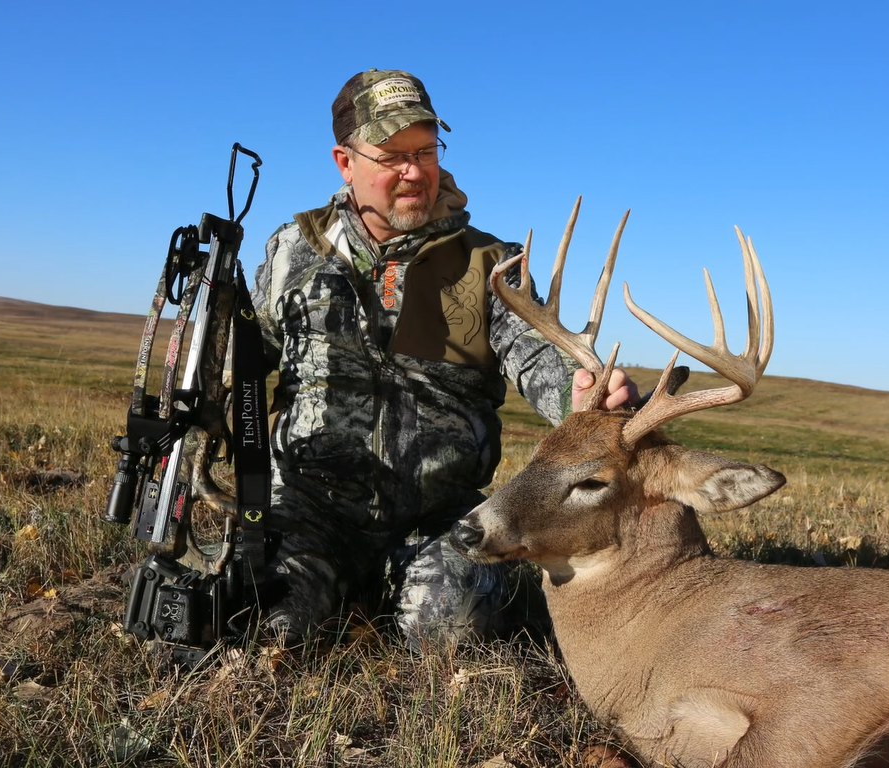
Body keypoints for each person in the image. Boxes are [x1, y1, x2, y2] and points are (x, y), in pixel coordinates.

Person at [249, 69, 636, 649]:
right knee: (265, 625)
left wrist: (584, 398)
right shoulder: (291, 252)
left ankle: (405, 596)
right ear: (344, 161)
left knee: (453, 630)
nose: (413, 171)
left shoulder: (493, 267)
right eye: (392, 155)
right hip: (309, 506)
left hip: (436, 517)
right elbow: (246, 358)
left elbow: (546, 365)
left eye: (425, 150)